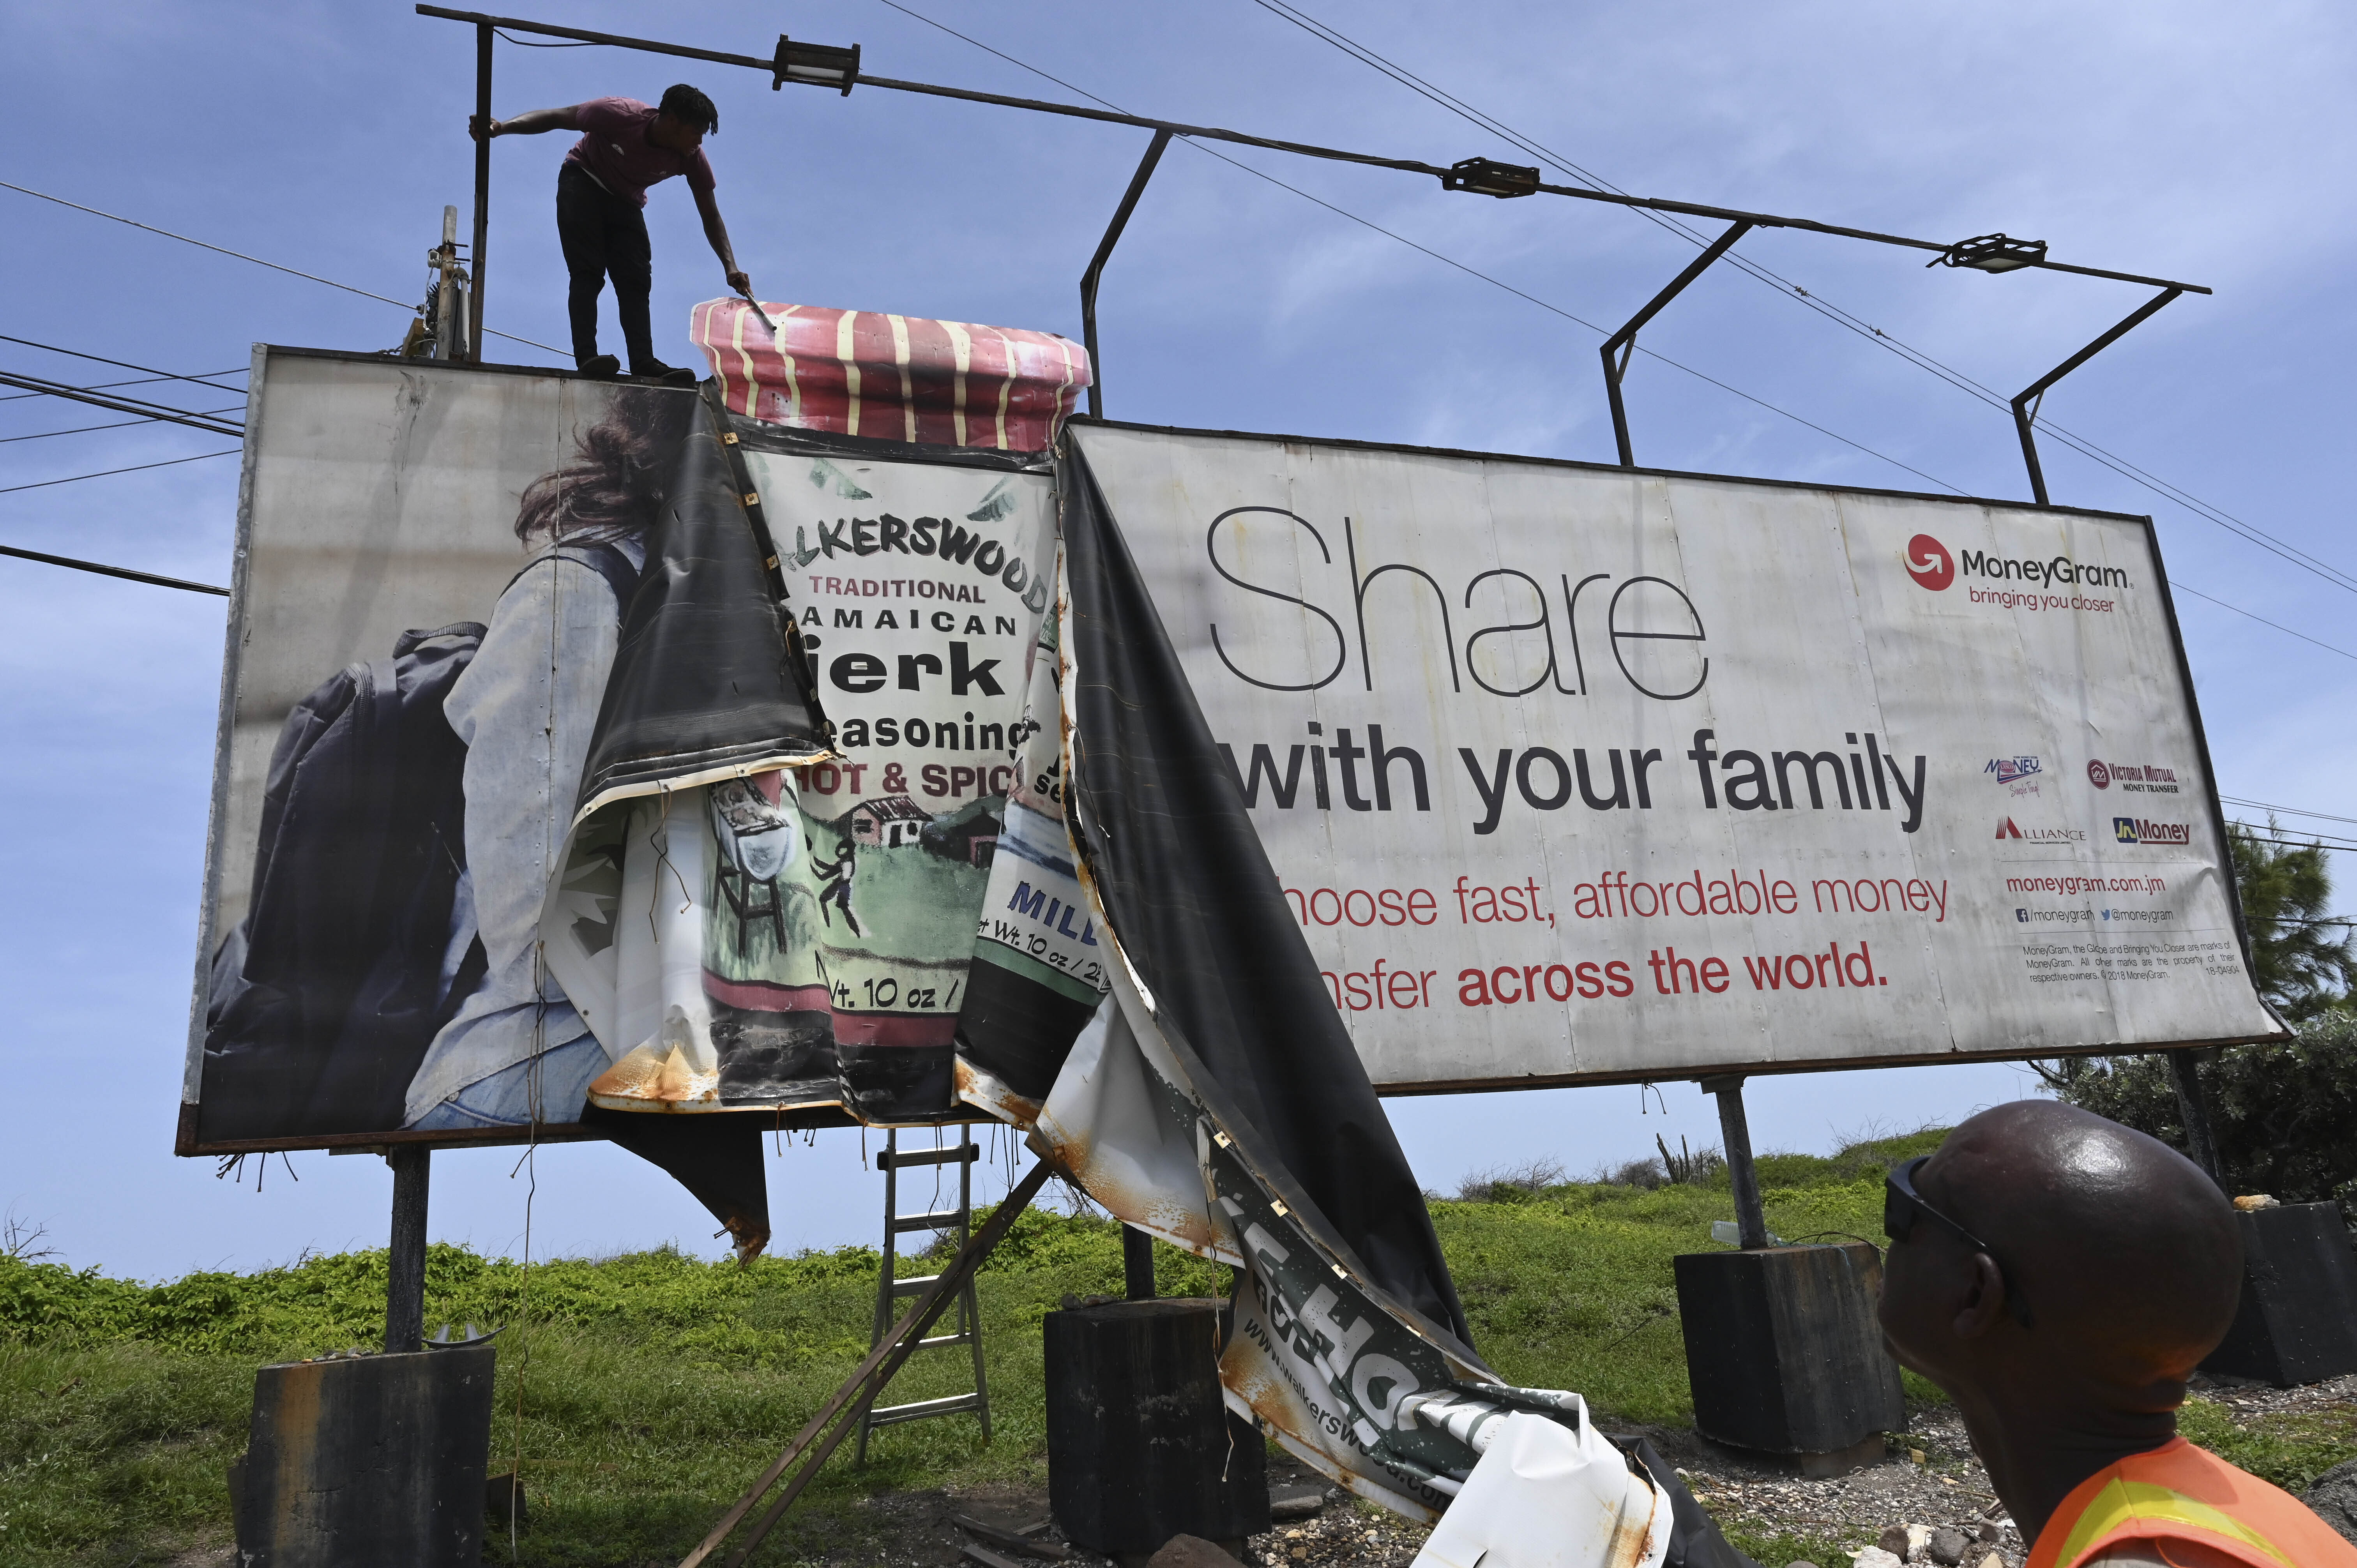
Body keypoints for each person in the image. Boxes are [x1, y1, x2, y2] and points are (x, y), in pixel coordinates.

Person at [1876, 1100, 2357, 1568]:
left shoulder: (2138, 1558)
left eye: (1902, 1212)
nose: (1887, 1241)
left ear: (1976, 1294)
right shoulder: (2232, 1507)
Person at [403, 389, 677, 1129]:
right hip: (525, 1060)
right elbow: (541, 939)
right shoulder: (576, 600)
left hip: (644, 1035)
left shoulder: (723, 601)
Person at [471, 85, 751, 381]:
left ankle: (644, 362)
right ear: (672, 121)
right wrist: (501, 128)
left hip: (627, 202)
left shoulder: (691, 157)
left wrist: (730, 266)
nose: (699, 142)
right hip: (583, 179)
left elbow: (710, 214)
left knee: (636, 280)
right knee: (588, 272)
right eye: (696, 132)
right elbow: (557, 117)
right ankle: (587, 356)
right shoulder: (618, 114)